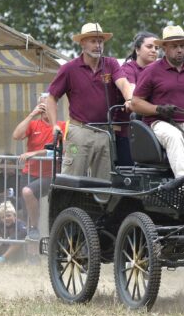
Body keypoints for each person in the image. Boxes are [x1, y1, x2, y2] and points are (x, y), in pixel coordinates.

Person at [131, 25, 184, 183]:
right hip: (158, 122)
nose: (179, 50)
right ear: (164, 48)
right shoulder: (151, 71)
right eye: (174, 46)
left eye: (182, 46)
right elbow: (135, 103)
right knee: (174, 137)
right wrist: (159, 109)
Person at [46, 23, 132, 180]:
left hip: (105, 132)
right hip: (79, 131)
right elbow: (51, 97)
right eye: (93, 41)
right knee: (70, 179)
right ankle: (66, 205)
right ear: (82, 43)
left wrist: (130, 99)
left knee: (104, 183)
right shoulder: (69, 68)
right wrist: (54, 125)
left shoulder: (111, 63)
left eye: (100, 41)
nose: (97, 45)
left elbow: (124, 83)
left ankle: (99, 205)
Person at [12, 93, 67, 238]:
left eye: (49, 105)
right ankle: (32, 253)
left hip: (50, 174)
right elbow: (16, 136)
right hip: (29, 172)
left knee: (28, 192)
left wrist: (34, 153)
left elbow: (61, 149)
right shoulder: (33, 124)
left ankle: (36, 229)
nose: (46, 109)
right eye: (43, 106)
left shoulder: (61, 126)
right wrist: (31, 114)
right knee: (27, 211)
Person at [115, 32, 160, 166]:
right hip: (128, 133)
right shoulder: (128, 68)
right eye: (149, 46)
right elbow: (133, 94)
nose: (154, 50)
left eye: (157, 48)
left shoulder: (161, 70)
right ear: (137, 50)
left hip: (154, 130)